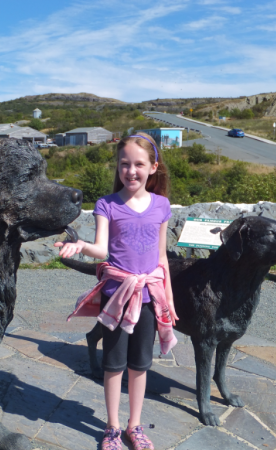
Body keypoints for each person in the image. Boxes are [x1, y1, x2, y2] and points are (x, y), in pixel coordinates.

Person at [55, 132, 178, 450]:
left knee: (140, 365)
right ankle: (112, 427)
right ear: (118, 167)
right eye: (125, 164)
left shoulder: (162, 206)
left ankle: (134, 426)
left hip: (150, 297)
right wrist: (80, 245)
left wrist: (169, 298)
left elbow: (162, 257)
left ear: (153, 167)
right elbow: (101, 249)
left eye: (139, 164)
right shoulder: (106, 205)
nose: (131, 170)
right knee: (114, 364)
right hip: (117, 295)